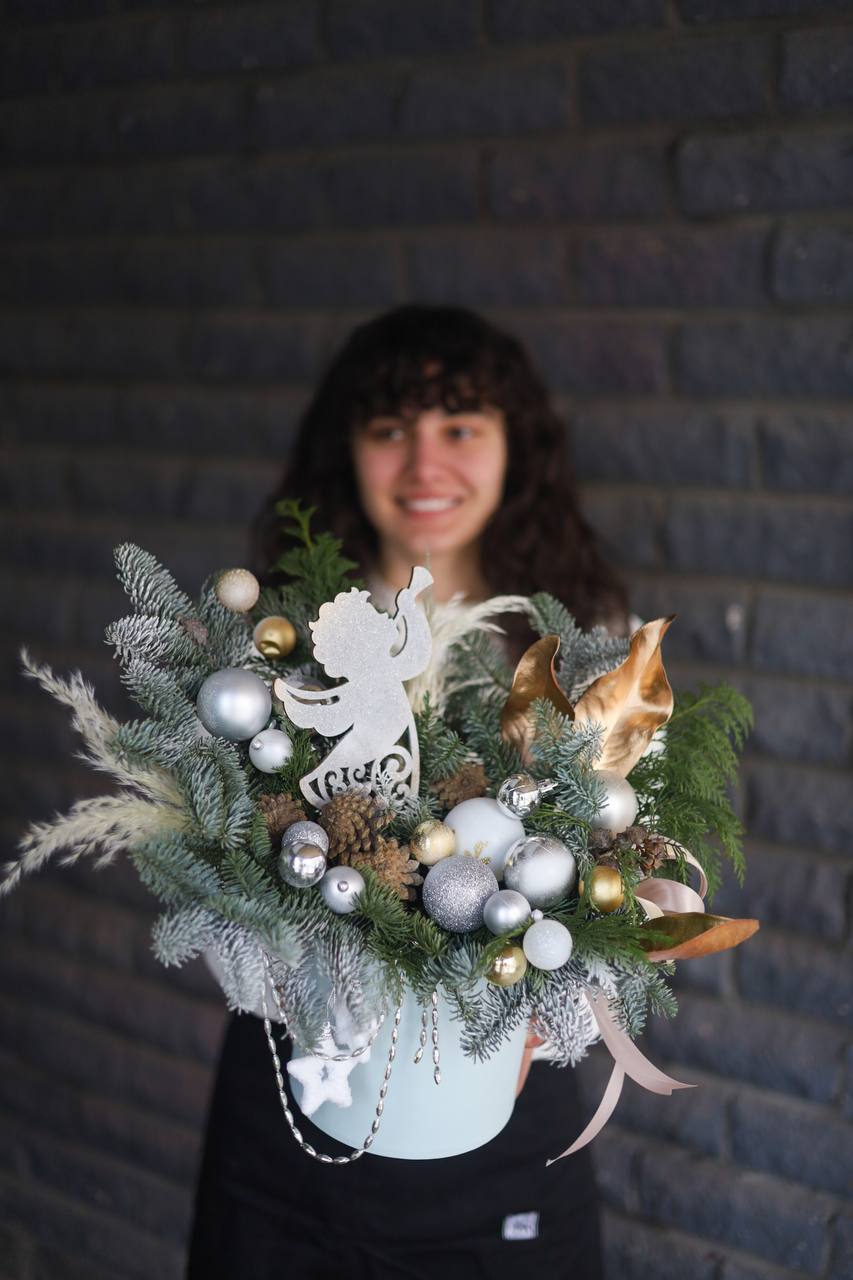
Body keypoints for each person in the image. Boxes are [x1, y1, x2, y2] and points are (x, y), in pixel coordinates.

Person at [187, 305, 627, 1279]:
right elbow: (203, 853)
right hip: (296, 1099)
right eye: (391, 428)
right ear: (347, 450)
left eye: (460, 427)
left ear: (516, 447)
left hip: (500, 1106)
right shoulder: (275, 647)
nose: (425, 464)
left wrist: (572, 984)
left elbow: (636, 863)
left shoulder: (579, 653)